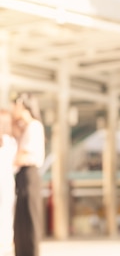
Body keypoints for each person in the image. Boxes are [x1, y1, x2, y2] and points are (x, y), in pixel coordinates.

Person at [12, 93, 45, 256]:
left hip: (29, 173)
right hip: (22, 175)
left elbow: (22, 155)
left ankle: (31, 252)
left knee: (31, 218)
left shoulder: (34, 126)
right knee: (21, 218)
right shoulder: (25, 127)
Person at [0, 109, 17, 256]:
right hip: (5, 180)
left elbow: (16, 164)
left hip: (6, 181)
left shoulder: (11, 141)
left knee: (6, 212)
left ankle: (5, 243)